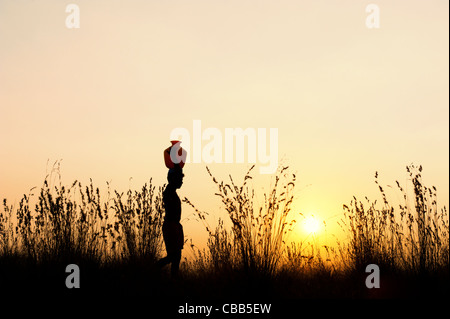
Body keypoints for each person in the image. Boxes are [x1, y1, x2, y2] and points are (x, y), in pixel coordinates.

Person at [157, 165, 184, 277]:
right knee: (173, 257)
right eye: (180, 178)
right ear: (173, 179)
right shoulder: (169, 191)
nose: (182, 181)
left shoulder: (171, 191)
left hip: (174, 226)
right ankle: (150, 269)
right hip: (171, 226)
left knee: (175, 257)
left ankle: (174, 280)